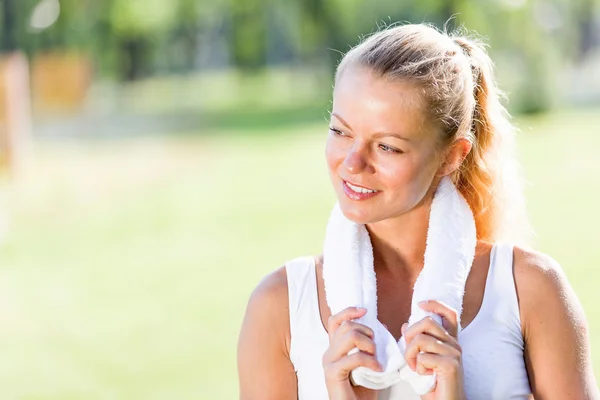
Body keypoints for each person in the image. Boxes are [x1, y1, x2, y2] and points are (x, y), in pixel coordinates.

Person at [237, 23, 598, 399]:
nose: (352, 163)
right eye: (341, 131)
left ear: (451, 156)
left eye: (387, 147)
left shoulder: (529, 289)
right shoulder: (281, 306)